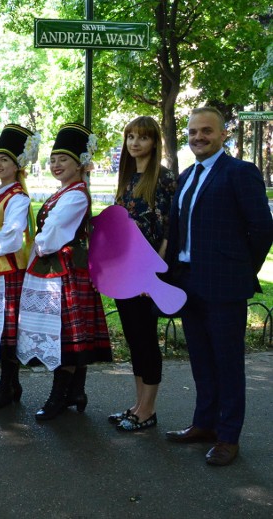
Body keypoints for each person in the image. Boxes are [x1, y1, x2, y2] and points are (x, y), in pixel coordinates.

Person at [164, 107, 273, 466]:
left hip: (225, 286)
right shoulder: (186, 176)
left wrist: (240, 270)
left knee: (227, 363)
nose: (198, 137)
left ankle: (228, 436)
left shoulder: (240, 173)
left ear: (224, 133)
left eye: (206, 131)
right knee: (201, 360)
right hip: (188, 281)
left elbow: (262, 229)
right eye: (193, 132)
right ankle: (203, 424)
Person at [17, 123, 112, 421]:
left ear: (79, 163)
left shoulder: (75, 194)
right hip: (63, 267)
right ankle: (75, 392)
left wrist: (36, 248)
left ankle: (60, 396)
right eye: (54, 159)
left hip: (65, 268)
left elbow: (54, 233)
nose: (56, 165)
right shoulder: (66, 191)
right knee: (69, 332)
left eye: (64, 159)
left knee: (67, 334)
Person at [110, 116, 176, 431]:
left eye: (143, 137)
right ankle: (138, 405)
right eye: (131, 137)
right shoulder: (126, 179)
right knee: (135, 340)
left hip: (146, 274)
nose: (135, 143)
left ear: (154, 142)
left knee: (147, 340)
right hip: (123, 273)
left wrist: (156, 276)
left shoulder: (163, 179)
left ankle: (148, 410)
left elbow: (166, 233)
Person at [0, 124, 39, 411]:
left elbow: (13, 236)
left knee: (7, 327)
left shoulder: (18, 197)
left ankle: (8, 384)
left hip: (7, 268)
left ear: (17, 166)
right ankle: (10, 385)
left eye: (5, 160)